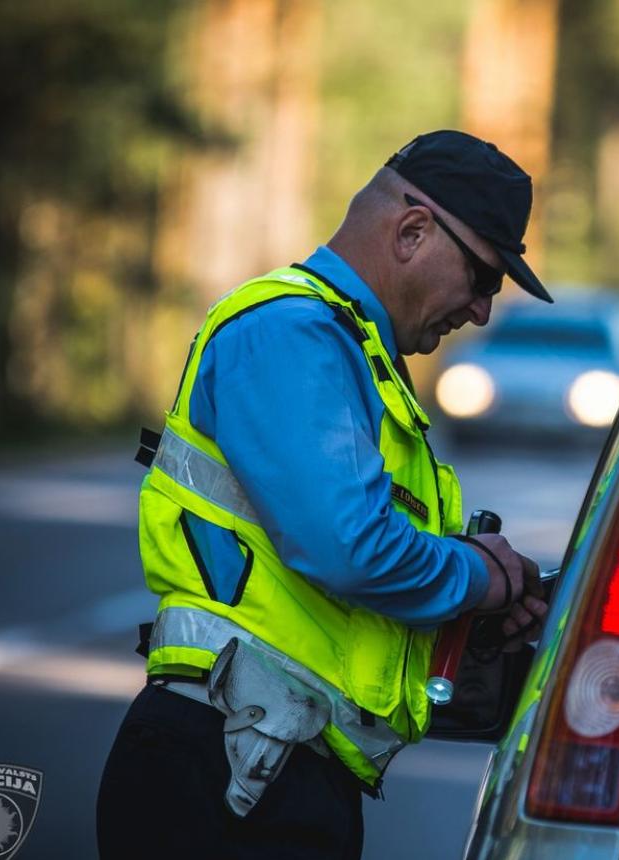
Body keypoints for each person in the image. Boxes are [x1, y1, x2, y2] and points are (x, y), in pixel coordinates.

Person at [96, 130, 551, 859]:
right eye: (483, 279)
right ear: (411, 231)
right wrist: (477, 576)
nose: (481, 312)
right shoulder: (291, 333)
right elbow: (350, 547)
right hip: (228, 771)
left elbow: (333, 599)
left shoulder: (353, 352)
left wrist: (480, 605)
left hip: (271, 763)